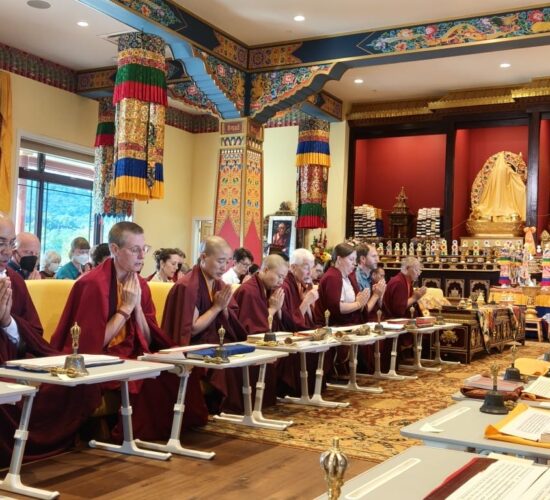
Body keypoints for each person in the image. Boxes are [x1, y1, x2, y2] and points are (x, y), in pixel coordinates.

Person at [51, 222, 207, 441]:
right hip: (101, 359)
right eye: (135, 250)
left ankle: (175, 433)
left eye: (144, 249)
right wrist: (125, 309)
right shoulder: (93, 284)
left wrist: (137, 308)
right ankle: (129, 436)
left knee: (177, 372)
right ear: (114, 249)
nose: (142, 256)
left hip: (131, 355)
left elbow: (148, 339)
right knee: (146, 382)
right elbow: (90, 346)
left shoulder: (140, 285)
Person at [0, 213, 100, 466]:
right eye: (1, 243)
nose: (7, 252)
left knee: (73, 383)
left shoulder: (13, 281)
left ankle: (51, 449)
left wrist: (8, 322)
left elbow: (34, 332)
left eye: (11, 244)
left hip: (13, 359)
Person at [162, 236, 246, 413]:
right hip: (191, 347)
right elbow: (191, 329)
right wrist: (217, 308)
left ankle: (234, 410)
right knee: (224, 362)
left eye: (227, 262)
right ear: (203, 257)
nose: (224, 267)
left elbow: (230, 318)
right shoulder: (188, 286)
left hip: (211, 342)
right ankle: (221, 408)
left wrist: (223, 308)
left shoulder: (218, 283)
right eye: (220, 261)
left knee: (241, 355)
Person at [314, 243, 370, 327]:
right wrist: (358, 304)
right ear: (339, 259)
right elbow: (337, 307)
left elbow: (358, 304)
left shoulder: (349, 277)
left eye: (355, 260)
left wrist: (361, 302)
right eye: (351, 259)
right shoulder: (332, 276)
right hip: (334, 327)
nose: (354, 263)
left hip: (349, 325)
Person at [282, 248, 318, 331]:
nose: (310, 273)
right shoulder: (284, 287)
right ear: (293, 267)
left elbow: (310, 321)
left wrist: (309, 303)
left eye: (311, 268)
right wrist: (306, 302)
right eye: (306, 268)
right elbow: (288, 325)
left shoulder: (301, 284)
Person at [355, 245, 386, 320]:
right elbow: (361, 311)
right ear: (363, 259)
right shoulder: (356, 279)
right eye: (374, 256)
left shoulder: (371, 276)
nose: (377, 260)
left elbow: (380, 306)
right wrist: (376, 295)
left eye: (377, 256)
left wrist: (380, 295)